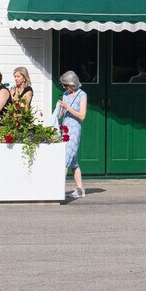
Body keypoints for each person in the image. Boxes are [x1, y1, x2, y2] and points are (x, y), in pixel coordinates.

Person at [55, 71, 88, 201]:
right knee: (73, 161)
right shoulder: (65, 94)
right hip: (65, 128)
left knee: (65, 158)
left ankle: (57, 188)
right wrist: (59, 111)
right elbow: (62, 113)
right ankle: (80, 189)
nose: (64, 88)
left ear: (72, 84)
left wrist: (68, 108)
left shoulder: (82, 95)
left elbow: (82, 115)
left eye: (66, 85)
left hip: (74, 129)